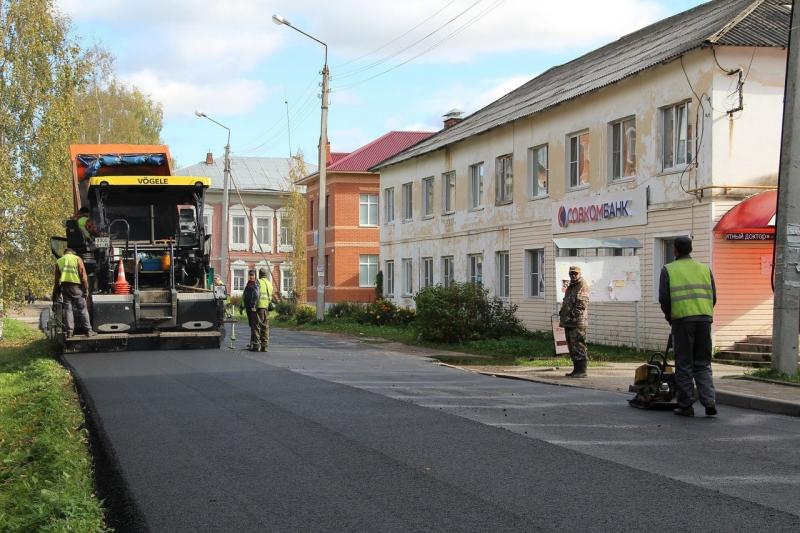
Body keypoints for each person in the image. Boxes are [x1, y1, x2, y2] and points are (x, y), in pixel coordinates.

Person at [659, 236, 717, 417]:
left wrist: (671, 317)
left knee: (684, 363)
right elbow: (713, 296)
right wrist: (704, 313)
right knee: (703, 363)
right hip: (704, 319)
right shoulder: (704, 269)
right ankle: (709, 403)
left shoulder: (669, 269)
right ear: (690, 249)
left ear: (675, 250)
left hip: (682, 321)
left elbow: (664, 299)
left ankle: (686, 405)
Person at [52, 248, 96, 337]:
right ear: (72, 253)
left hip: (65, 288)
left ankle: (69, 332)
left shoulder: (59, 261)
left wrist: (55, 293)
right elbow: (83, 275)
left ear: (64, 253)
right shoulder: (77, 259)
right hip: (76, 288)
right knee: (82, 309)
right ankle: (89, 331)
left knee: (68, 310)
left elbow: (56, 280)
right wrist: (86, 288)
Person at [559, 265, 590, 378]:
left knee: (579, 345)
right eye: (571, 273)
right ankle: (576, 369)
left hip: (577, 321)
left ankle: (582, 370)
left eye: (575, 273)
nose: (573, 275)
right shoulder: (571, 286)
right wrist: (563, 313)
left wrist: (571, 315)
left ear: (579, 273)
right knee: (572, 346)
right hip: (568, 321)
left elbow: (582, 304)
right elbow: (567, 301)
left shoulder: (582, 285)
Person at [254, 267, 275, 352]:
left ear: (259, 274)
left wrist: (253, 305)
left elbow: (255, 294)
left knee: (257, 326)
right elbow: (270, 296)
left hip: (259, 307)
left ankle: (256, 345)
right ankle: (264, 346)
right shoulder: (269, 283)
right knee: (265, 327)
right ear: (266, 274)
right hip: (267, 307)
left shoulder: (258, 282)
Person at [241, 270, 260, 351]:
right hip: (248, 307)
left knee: (254, 326)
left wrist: (253, 305)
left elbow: (256, 295)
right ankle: (252, 343)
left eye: (252, 275)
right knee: (251, 325)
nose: (251, 276)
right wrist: (242, 306)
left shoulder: (256, 284)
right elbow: (244, 295)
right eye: (250, 275)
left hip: (253, 308)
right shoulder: (248, 284)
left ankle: (254, 344)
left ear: (255, 275)